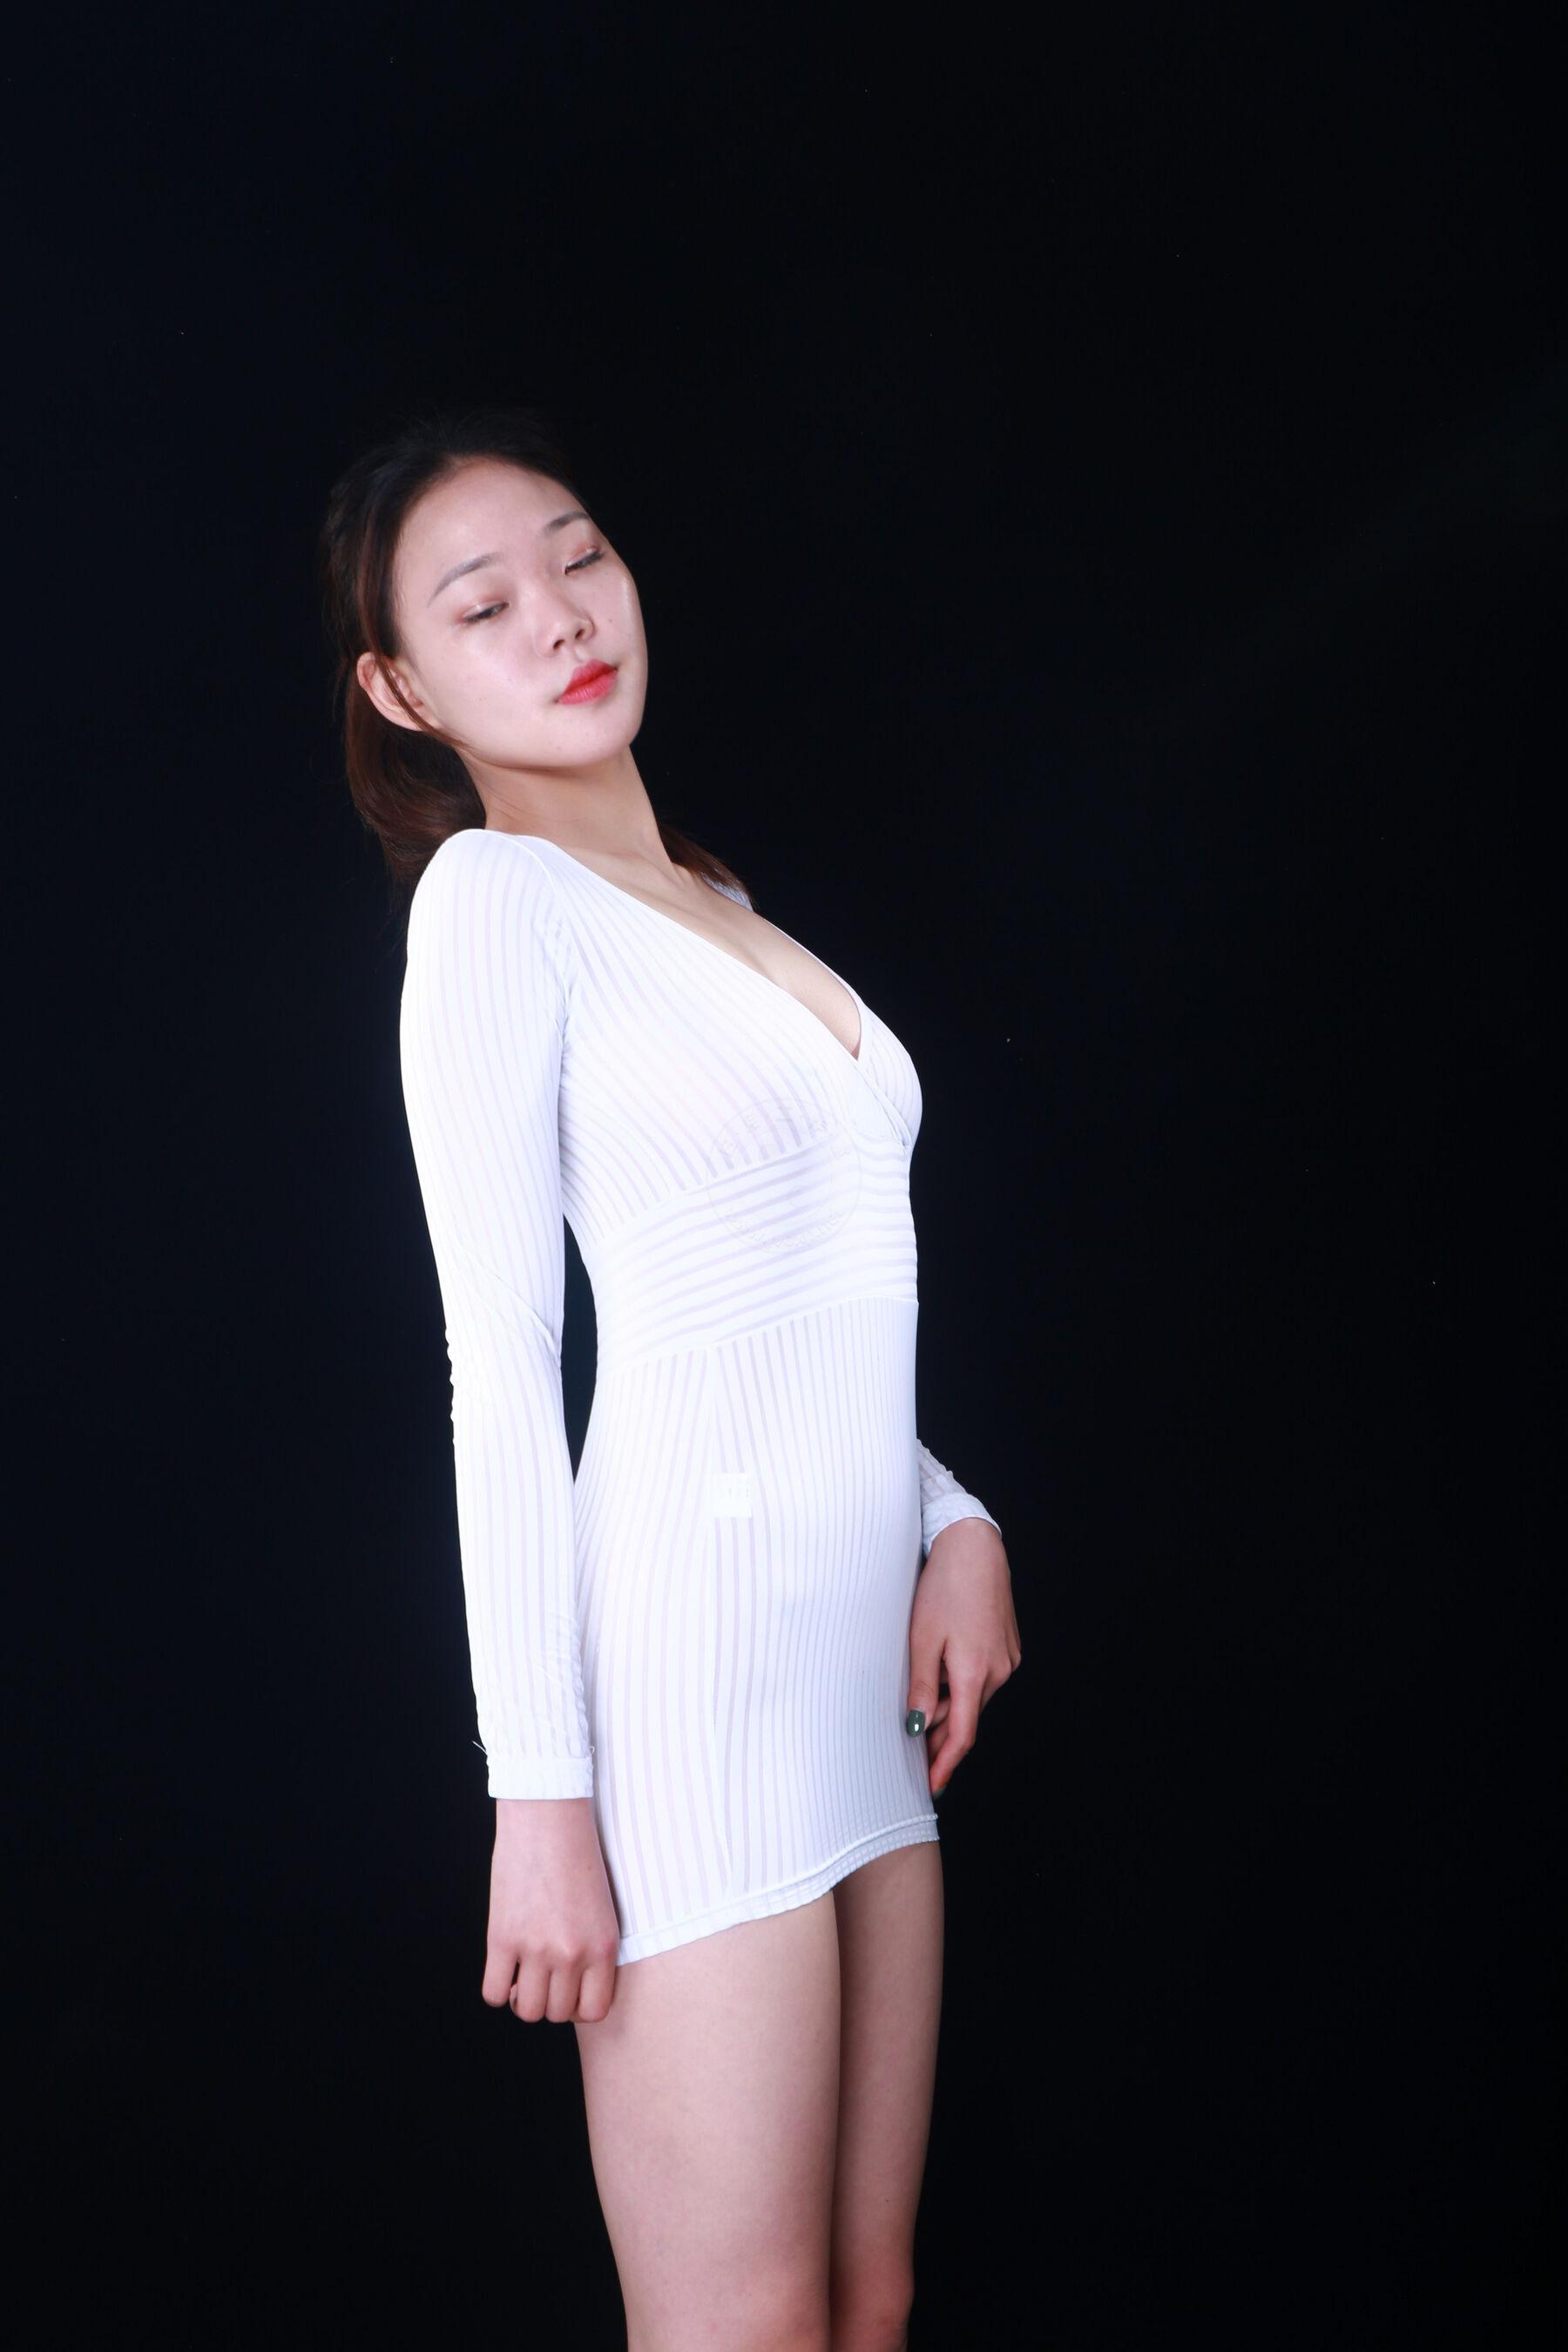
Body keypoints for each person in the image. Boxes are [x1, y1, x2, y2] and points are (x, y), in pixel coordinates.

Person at [317, 402, 1023, 2352]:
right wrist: (538, 1803)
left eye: (580, 558)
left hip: (850, 1676)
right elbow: (497, 1371)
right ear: (402, 689)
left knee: (865, 2304)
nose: (560, 616)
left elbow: (798, 1301)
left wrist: (956, 1519)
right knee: (744, 2327)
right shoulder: (493, 905)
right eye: (483, 605)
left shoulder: (714, 904)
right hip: (691, 1687)